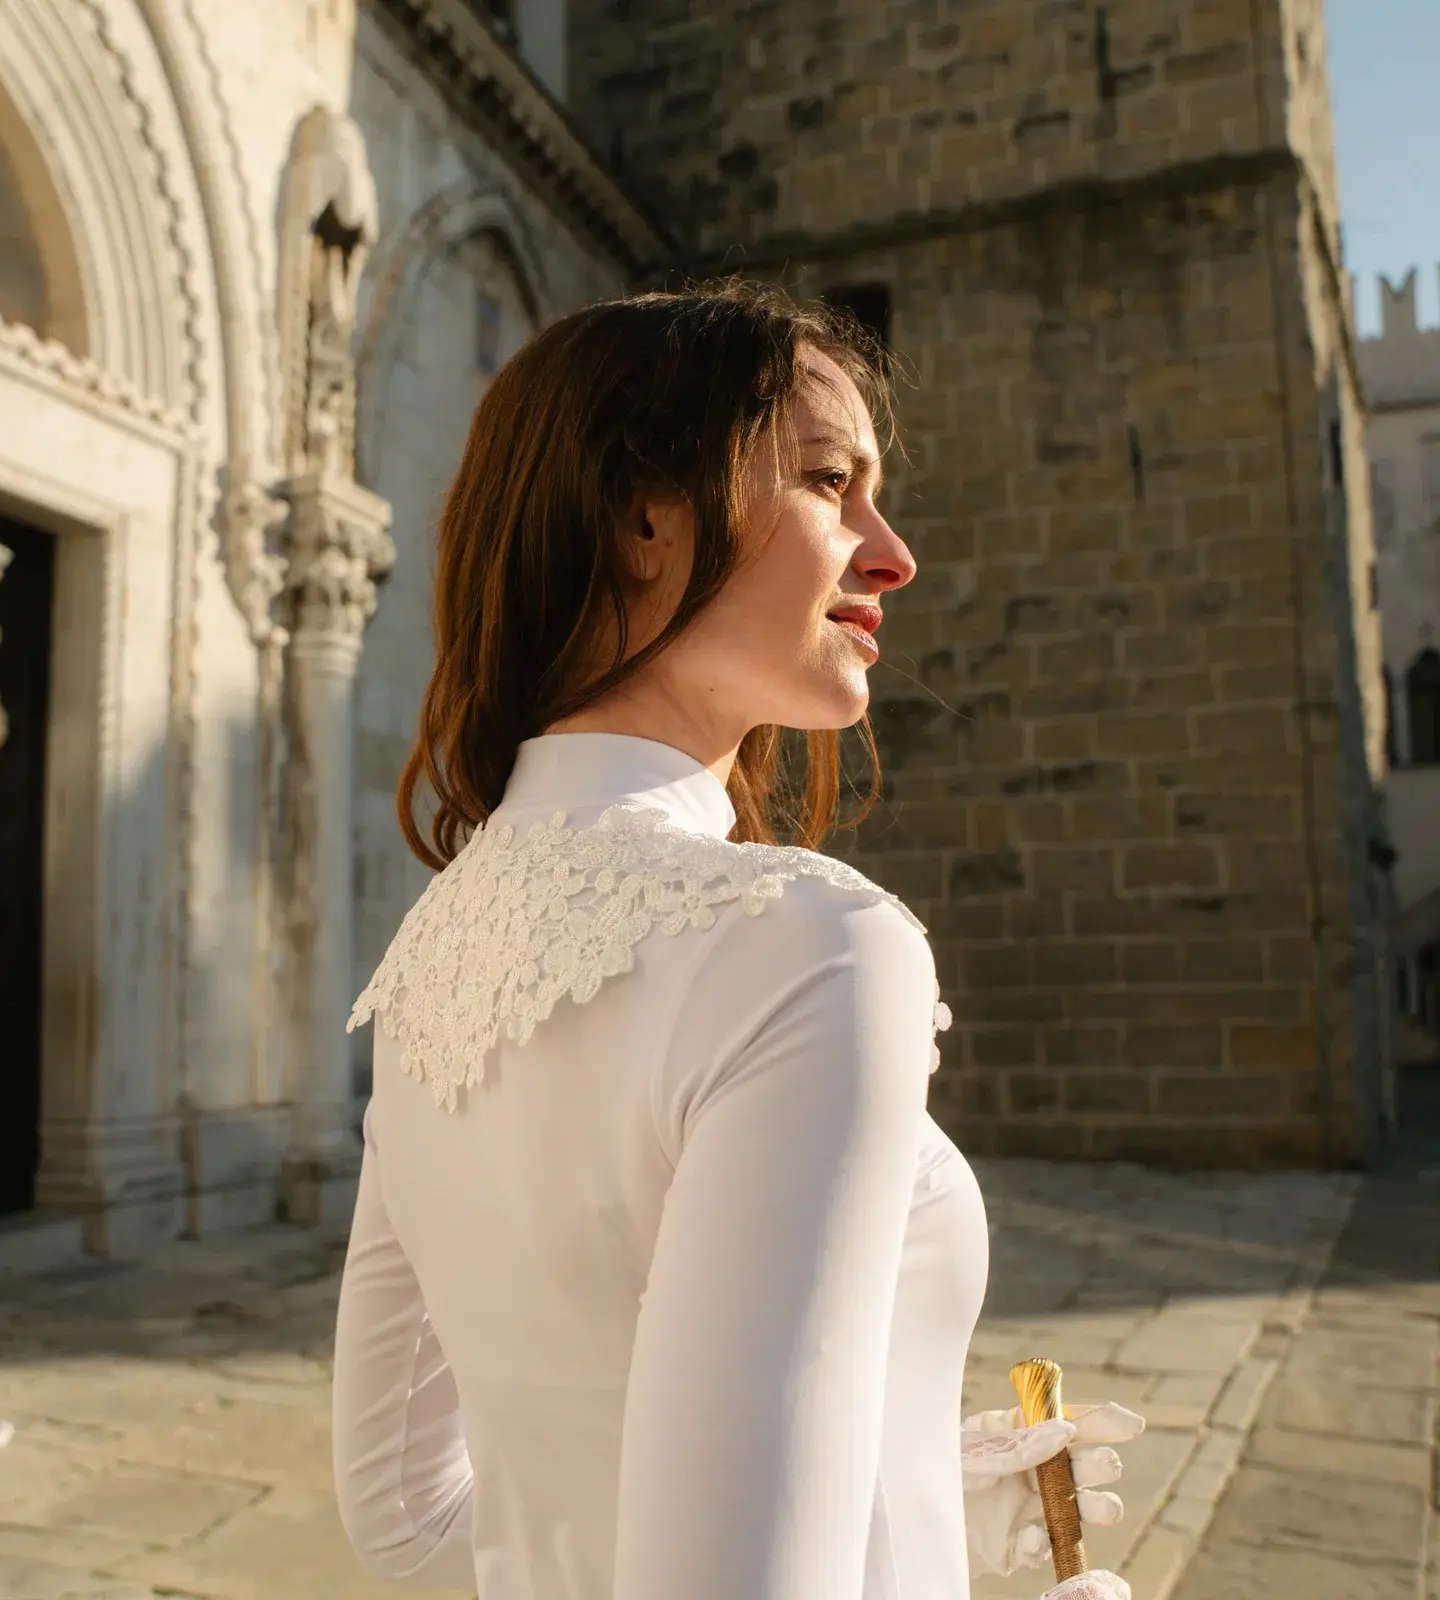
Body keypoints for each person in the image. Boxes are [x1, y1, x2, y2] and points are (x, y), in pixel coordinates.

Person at [331, 283, 1143, 1600]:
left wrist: (911, 1493)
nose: (893, 555)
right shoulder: (814, 948)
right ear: (645, 520)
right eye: (830, 482)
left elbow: (409, 1516)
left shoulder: (430, 955)